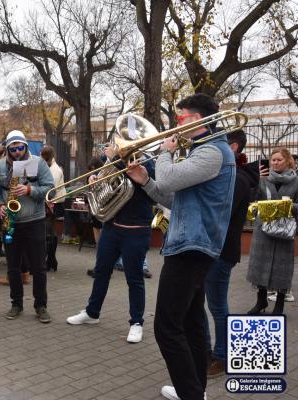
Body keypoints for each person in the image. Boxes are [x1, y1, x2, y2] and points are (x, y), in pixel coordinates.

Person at [126, 94, 235, 400]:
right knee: (192, 322)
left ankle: (190, 392)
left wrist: (165, 153)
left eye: (181, 118)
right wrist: (146, 180)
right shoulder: (203, 151)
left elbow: (170, 178)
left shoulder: (212, 152)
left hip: (191, 248)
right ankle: (194, 388)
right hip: (190, 244)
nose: (176, 124)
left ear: (198, 119)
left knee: (166, 328)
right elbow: (175, 199)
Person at [66, 142, 154, 345]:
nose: (121, 147)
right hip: (111, 227)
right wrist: (95, 179)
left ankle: (136, 323)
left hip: (136, 231)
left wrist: (136, 172)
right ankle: (92, 312)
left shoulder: (148, 163)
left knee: (134, 279)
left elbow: (153, 190)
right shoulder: (113, 162)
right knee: (101, 272)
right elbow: (102, 189)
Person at [204, 129, 259, 378]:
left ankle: (222, 356)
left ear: (233, 147)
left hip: (221, 251)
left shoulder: (236, 178)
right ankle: (208, 351)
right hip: (212, 249)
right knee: (207, 304)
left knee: (217, 307)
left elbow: (220, 213)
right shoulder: (231, 174)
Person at [0, 130, 54, 323]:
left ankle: (41, 306)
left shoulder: (38, 162)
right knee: (13, 267)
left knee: (39, 267)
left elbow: (50, 189)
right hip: (10, 223)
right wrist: (0, 206)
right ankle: (16, 304)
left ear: (26, 146)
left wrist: (30, 189)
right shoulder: (0, 166)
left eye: (20, 147)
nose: (17, 152)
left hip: (34, 221)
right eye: (13, 148)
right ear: (8, 149)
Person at [246, 146, 298, 316]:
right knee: (260, 265)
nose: (275, 163)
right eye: (273, 160)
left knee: (282, 268)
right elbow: (251, 199)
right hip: (263, 230)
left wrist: (286, 206)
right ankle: (260, 301)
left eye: (279, 160)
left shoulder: (296, 181)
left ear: (287, 161)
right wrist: (255, 180)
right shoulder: (264, 179)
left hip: (284, 230)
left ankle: (280, 304)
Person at [41, 145, 65, 271]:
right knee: (50, 232)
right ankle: (51, 260)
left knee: (49, 232)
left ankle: (49, 260)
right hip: (52, 203)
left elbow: (51, 189)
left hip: (53, 203)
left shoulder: (55, 170)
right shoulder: (51, 167)